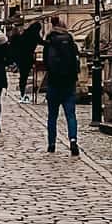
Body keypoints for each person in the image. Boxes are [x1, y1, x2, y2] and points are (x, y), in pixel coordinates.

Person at [40, 14, 82, 155]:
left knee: (52, 116)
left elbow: (46, 62)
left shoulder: (49, 41)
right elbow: (76, 60)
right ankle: (73, 140)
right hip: (69, 82)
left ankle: (51, 143)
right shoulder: (70, 40)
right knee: (71, 115)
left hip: (54, 82)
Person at [12, 19, 38, 96]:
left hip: (22, 58)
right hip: (27, 58)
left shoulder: (26, 33)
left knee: (23, 76)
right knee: (24, 75)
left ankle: (22, 91)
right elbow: (41, 42)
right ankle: (22, 91)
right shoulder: (33, 35)